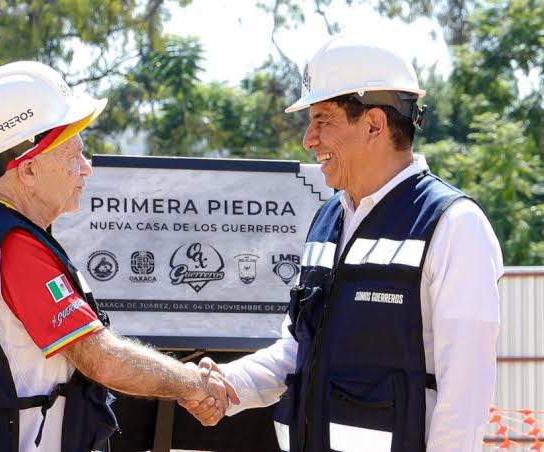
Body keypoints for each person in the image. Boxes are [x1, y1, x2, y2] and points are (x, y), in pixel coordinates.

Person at [180, 34, 503, 452]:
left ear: (374, 124)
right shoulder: (328, 218)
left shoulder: (454, 226)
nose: (308, 140)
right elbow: (297, 351)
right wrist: (228, 386)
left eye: (323, 120)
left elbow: (464, 399)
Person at [0, 61, 238, 452]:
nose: (87, 168)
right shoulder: (15, 247)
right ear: (27, 170)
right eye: (73, 155)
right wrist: (193, 383)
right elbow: (100, 358)